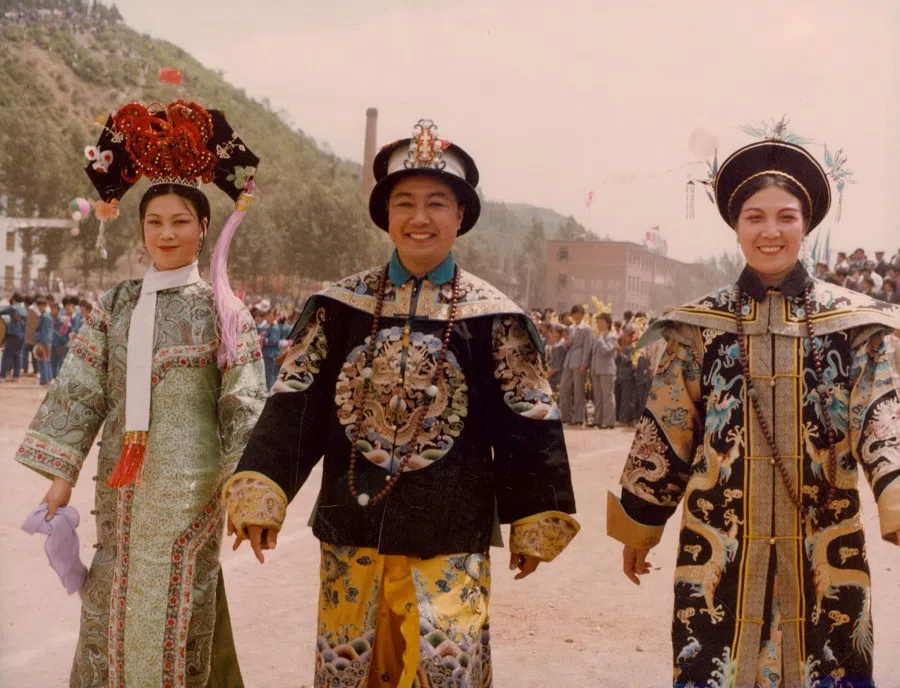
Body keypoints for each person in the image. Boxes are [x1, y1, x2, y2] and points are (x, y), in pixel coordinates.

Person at [224, 118, 579, 687]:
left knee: (446, 669)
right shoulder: (337, 308)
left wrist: (536, 513)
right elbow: (297, 404)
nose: (420, 218)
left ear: (460, 216)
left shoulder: (494, 317)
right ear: (386, 215)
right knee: (349, 669)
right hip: (352, 526)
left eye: (437, 203)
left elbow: (527, 420)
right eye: (405, 203)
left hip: (451, 533)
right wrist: (264, 490)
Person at [607, 137, 900, 686]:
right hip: (719, 546)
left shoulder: (854, 324)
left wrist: (895, 492)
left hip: (823, 541)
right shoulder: (700, 325)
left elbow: (880, 415)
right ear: (736, 226)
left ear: (805, 223)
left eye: (786, 217)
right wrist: (638, 527)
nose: (771, 231)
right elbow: (667, 429)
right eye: (755, 217)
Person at [15, 99, 266, 687]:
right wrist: (62, 475)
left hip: (192, 490)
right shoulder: (117, 304)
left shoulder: (224, 311)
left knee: (180, 608)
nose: (167, 233)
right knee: (110, 605)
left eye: (180, 221)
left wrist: (247, 493)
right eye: (155, 222)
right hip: (121, 493)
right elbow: (80, 388)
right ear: (140, 231)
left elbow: (243, 405)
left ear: (204, 229)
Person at [560, 303, 592, 425]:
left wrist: (584, 364)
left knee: (578, 391)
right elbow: (568, 345)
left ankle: (578, 418)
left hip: (579, 361)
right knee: (564, 388)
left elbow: (587, 347)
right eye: (574, 314)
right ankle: (566, 415)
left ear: (582, 315)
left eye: (578, 314)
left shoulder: (587, 329)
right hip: (568, 361)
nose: (576, 316)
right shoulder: (570, 328)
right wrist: (566, 343)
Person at [589, 312, 617, 428]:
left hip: (607, 370)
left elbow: (607, 351)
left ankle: (608, 421)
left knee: (607, 396)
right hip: (596, 370)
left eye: (600, 321)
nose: (598, 324)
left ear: (607, 323)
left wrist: (600, 339)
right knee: (598, 396)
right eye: (597, 322)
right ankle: (597, 420)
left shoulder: (612, 336)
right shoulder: (597, 336)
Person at [0, 293, 27, 381]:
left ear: (14, 299)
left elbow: (2, 311)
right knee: (18, 355)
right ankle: (16, 376)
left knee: (7, 355)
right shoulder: (24, 310)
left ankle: (2, 376)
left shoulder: (13, 307)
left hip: (13, 335)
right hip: (22, 335)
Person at [34, 296, 53, 385]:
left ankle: (44, 381)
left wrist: (43, 344)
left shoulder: (44, 317)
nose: (40, 307)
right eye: (39, 305)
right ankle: (48, 379)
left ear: (45, 306)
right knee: (46, 361)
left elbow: (44, 332)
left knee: (43, 361)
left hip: (43, 342)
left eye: (42, 305)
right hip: (47, 341)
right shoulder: (47, 316)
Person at [49, 300, 71, 379]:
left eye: (54, 309)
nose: (53, 311)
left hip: (61, 346)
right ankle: (53, 379)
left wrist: (63, 345)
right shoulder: (49, 319)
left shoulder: (64, 319)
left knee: (61, 364)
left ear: (58, 310)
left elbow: (66, 333)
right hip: (52, 344)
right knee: (52, 363)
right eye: (51, 309)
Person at [546, 323, 567, 395]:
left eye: (555, 333)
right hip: (554, 375)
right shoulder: (556, 345)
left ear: (560, 334)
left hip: (559, 376)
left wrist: (547, 375)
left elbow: (558, 366)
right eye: (553, 332)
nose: (553, 335)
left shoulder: (560, 347)